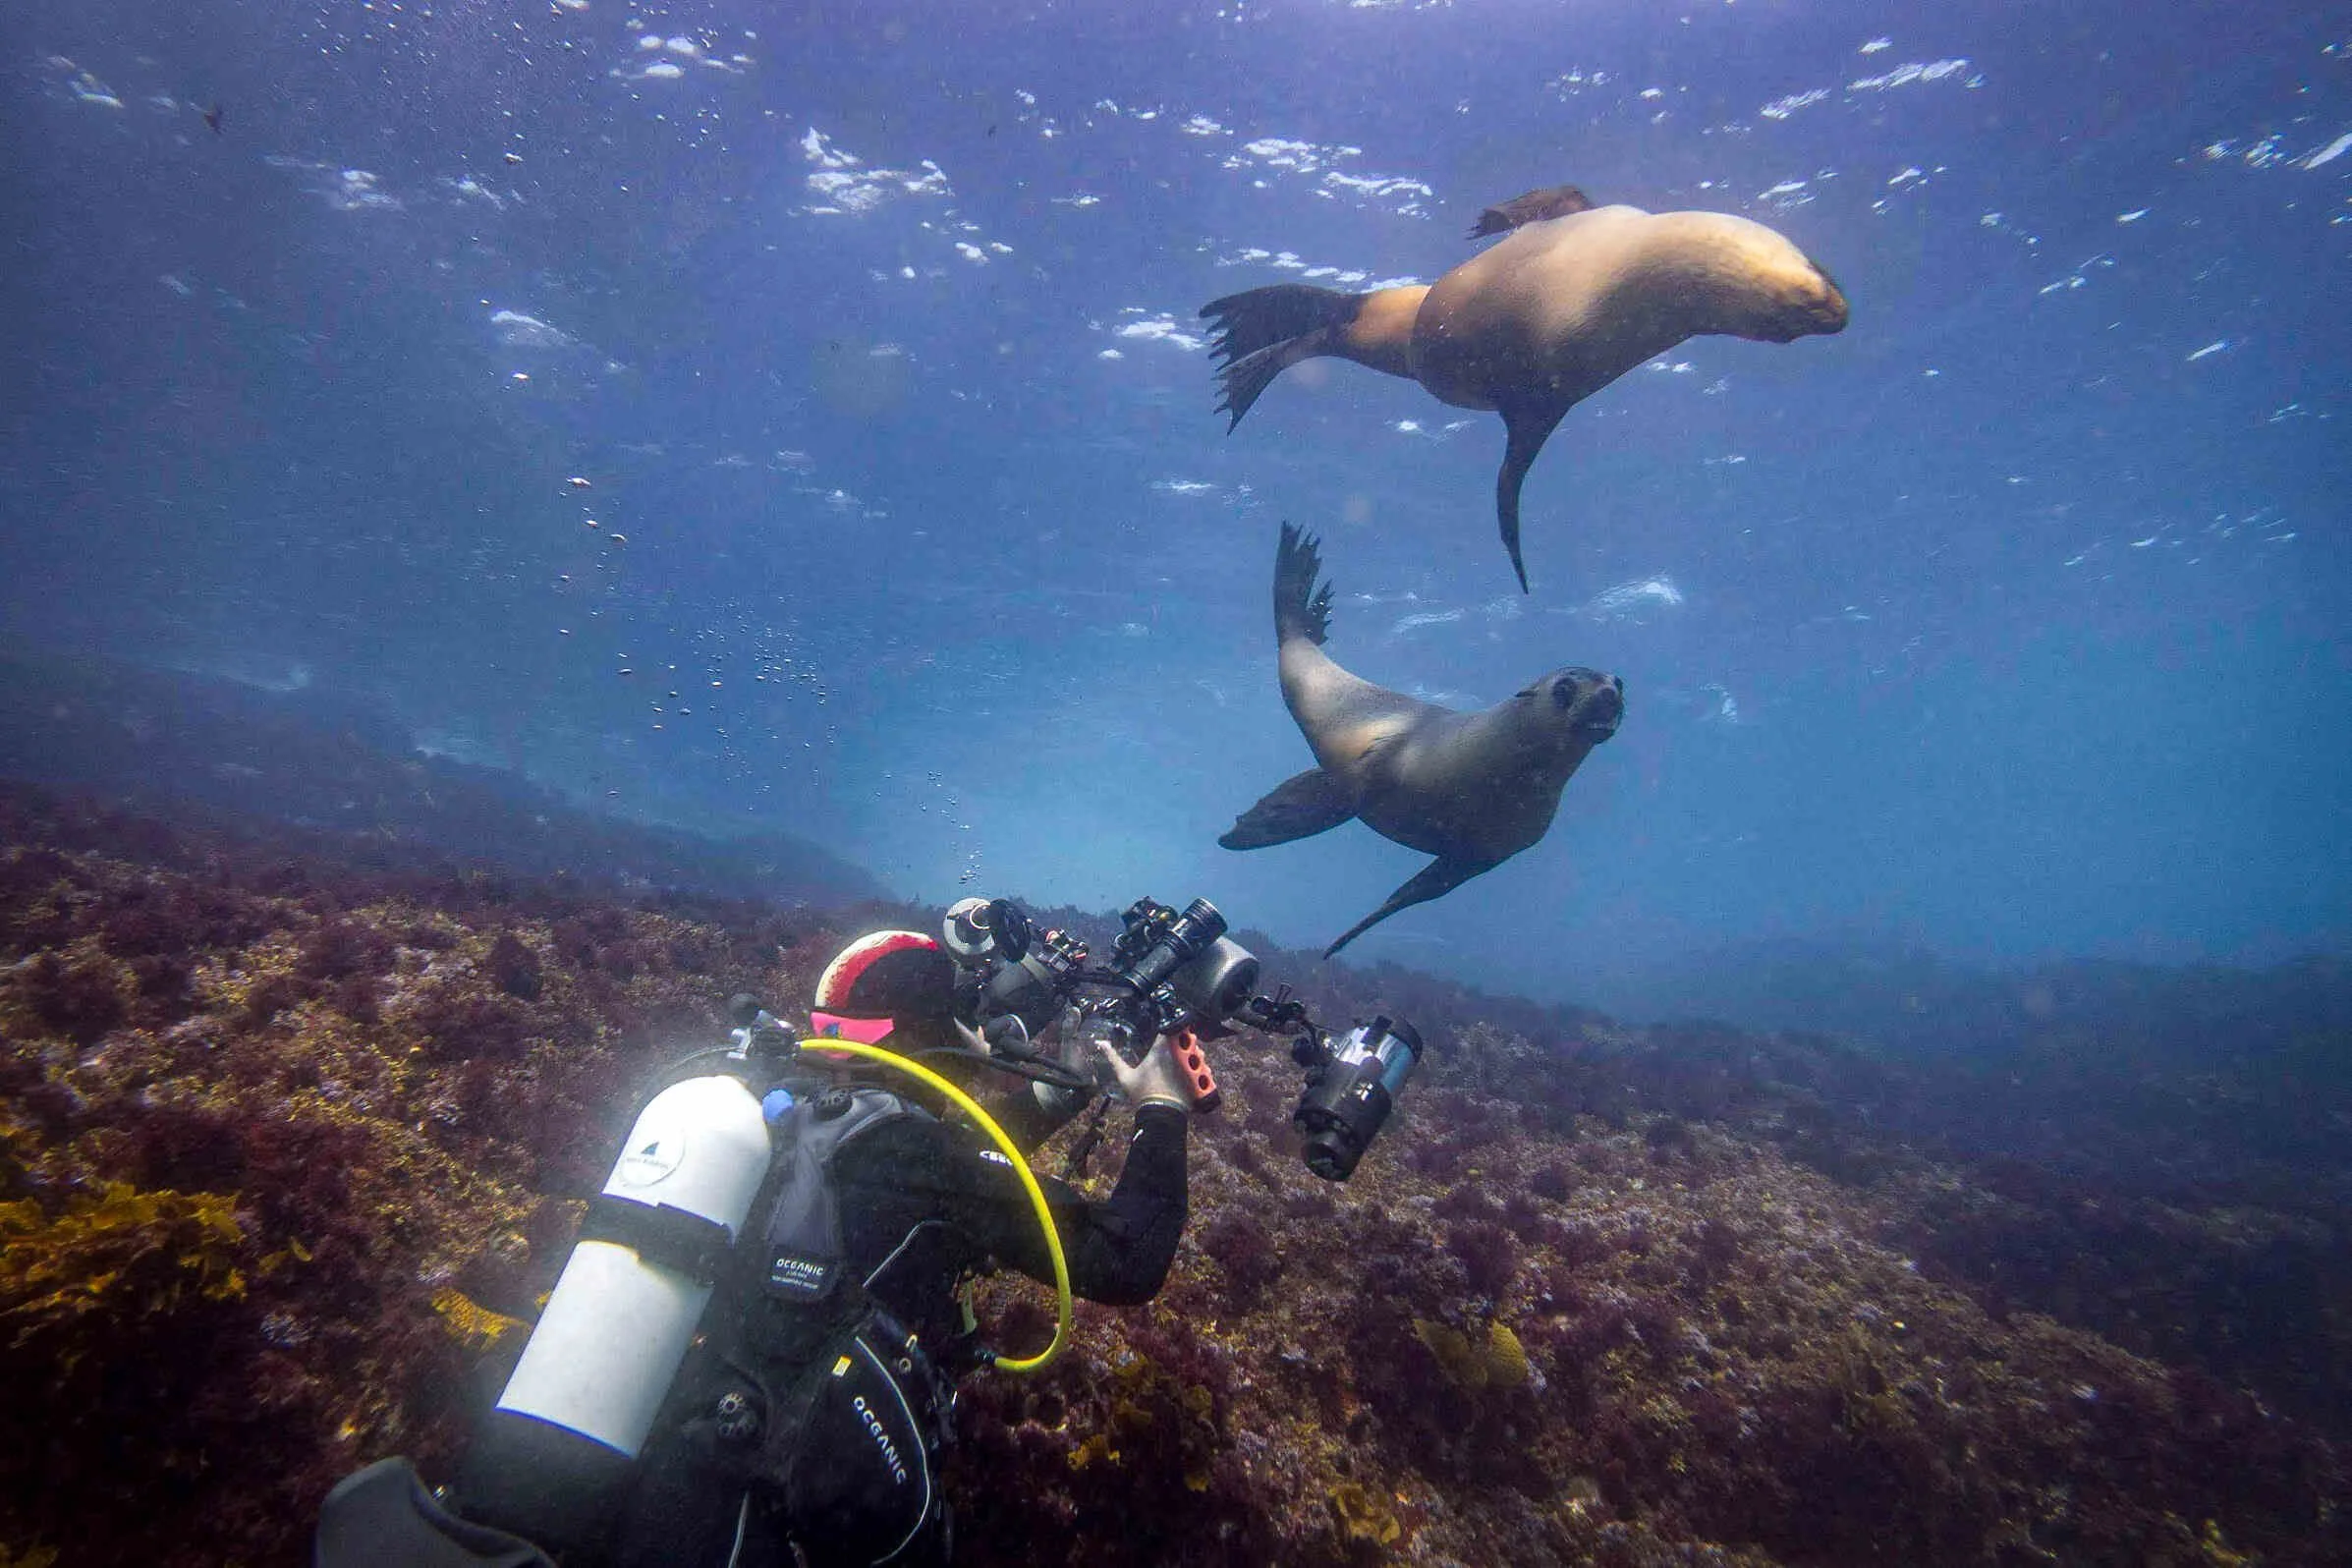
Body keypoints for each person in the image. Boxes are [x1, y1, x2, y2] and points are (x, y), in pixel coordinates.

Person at [314, 927, 1199, 1568]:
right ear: (928, 1035)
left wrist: (1062, 1096)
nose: (984, 1039)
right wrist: (1161, 1108)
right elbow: (1125, 1259)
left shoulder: (770, 1101)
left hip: (649, 1468)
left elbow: (934, 1180)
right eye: (967, 1022)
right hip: (752, 1528)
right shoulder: (927, 1160)